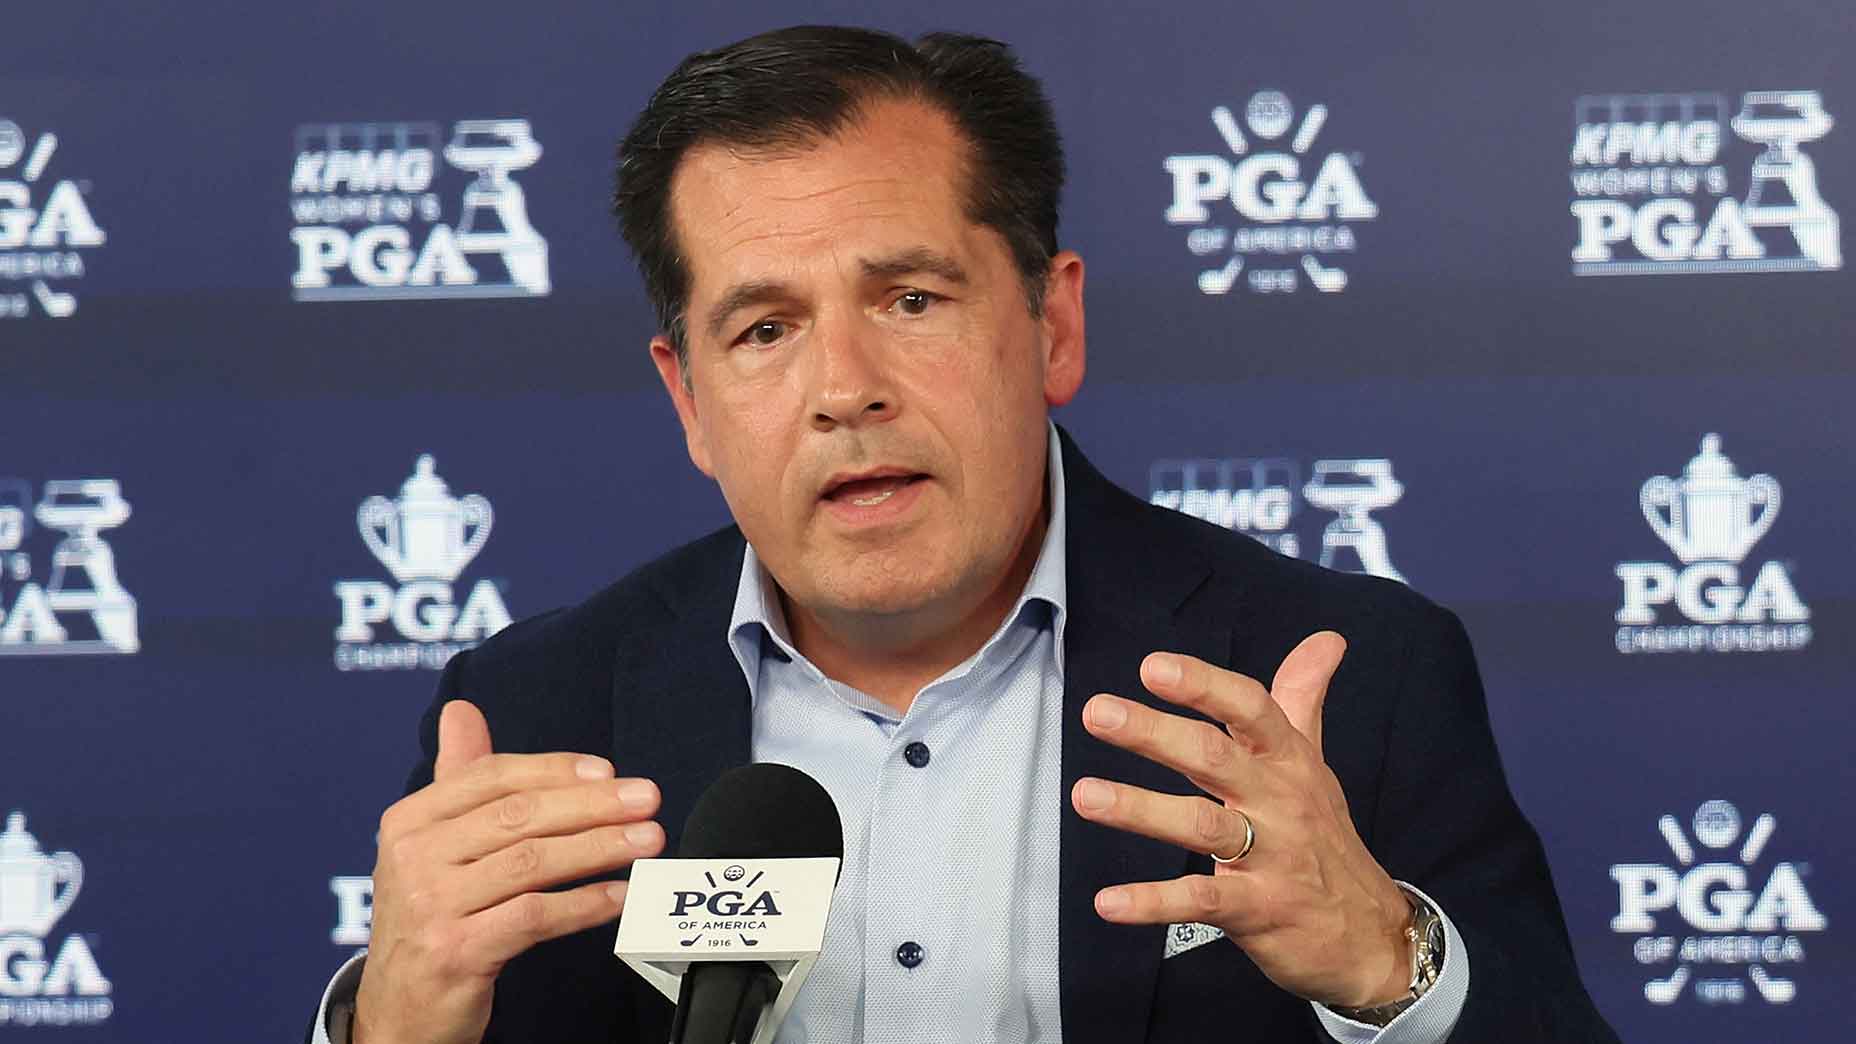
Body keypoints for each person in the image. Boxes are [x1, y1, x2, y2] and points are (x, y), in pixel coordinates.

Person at [308, 25, 1619, 1044]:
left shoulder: (1337, 678)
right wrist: (397, 1022)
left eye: (912, 300)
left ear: (1053, 326)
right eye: (764, 330)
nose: (844, 389)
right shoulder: (535, 717)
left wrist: (1390, 964)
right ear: (689, 400)